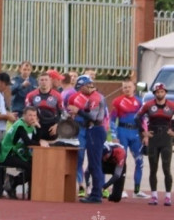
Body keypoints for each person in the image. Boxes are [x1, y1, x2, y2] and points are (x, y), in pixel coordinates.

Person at [67, 75, 107, 204]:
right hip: (92, 130)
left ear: (86, 85)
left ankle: (96, 194)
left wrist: (78, 110)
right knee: (93, 163)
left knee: (95, 163)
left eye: (81, 88)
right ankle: (95, 192)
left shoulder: (95, 97)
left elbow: (93, 116)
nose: (80, 91)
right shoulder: (92, 97)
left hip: (95, 129)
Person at [0, 106, 49, 199]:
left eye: (34, 115)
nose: (33, 118)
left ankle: (16, 184)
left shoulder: (30, 126)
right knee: (30, 167)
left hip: (19, 153)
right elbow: (28, 143)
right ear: (24, 115)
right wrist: (40, 144)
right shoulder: (20, 126)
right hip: (8, 154)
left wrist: (38, 128)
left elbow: (35, 140)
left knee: (36, 164)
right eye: (30, 115)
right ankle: (12, 183)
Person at [136, 82, 174, 206]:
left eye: (162, 92)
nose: (160, 94)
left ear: (165, 93)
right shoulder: (148, 105)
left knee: (166, 168)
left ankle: (168, 196)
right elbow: (137, 118)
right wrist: (144, 133)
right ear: (154, 93)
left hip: (166, 139)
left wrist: (173, 131)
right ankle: (154, 196)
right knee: (153, 168)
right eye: (157, 92)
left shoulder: (171, 105)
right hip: (153, 137)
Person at [109, 79, 148, 198]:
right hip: (122, 132)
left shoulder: (139, 102)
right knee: (121, 161)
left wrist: (145, 134)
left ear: (134, 88)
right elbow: (112, 120)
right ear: (122, 88)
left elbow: (143, 119)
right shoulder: (117, 101)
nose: (127, 89)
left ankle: (137, 190)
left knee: (140, 161)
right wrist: (114, 136)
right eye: (125, 87)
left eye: (129, 87)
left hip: (135, 133)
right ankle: (119, 189)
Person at [24, 72, 64, 141]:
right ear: (38, 82)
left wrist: (57, 125)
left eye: (46, 80)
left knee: (51, 146)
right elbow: (26, 113)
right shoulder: (31, 95)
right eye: (42, 80)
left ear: (50, 81)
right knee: (35, 145)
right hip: (36, 125)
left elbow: (63, 113)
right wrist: (32, 123)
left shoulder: (57, 96)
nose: (44, 82)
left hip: (52, 127)